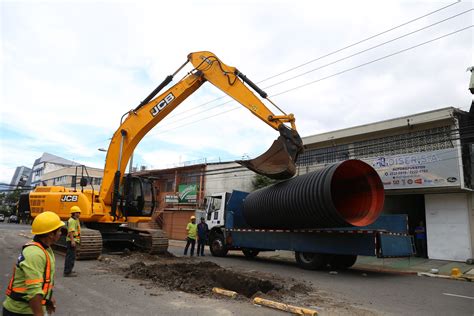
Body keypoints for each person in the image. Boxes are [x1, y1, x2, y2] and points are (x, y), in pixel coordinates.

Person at [3, 211, 65, 316]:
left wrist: (48, 299)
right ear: (50, 234)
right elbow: (34, 293)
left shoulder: (45, 249)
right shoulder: (35, 254)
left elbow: (43, 282)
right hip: (20, 312)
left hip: (30, 309)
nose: (61, 233)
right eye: (59, 230)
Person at [64, 206, 81, 277]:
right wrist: (72, 241)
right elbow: (71, 232)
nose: (79, 214)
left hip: (74, 240)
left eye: (79, 213)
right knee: (70, 257)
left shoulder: (75, 220)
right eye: (77, 213)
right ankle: (67, 272)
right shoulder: (72, 221)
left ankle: (69, 270)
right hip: (71, 241)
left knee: (72, 256)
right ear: (73, 213)